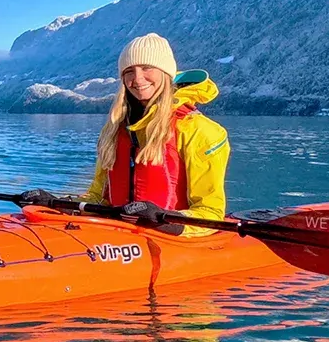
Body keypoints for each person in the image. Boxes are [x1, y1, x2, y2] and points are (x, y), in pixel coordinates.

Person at [82, 32, 229, 236]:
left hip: (173, 242)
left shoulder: (200, 130)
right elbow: (98, 197)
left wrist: (166, 223)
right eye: (129, 71)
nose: (137, 78)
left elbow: (210, 212)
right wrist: (63, 204)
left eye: (147, 67)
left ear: (166, 73)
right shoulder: (114, 130)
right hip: (119, 239)